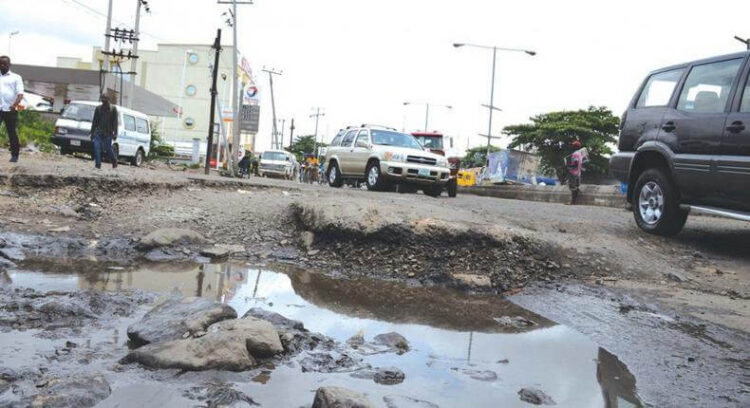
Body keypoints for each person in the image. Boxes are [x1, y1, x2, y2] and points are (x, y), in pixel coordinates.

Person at [0, 56, 24, 163]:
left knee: (12, 133)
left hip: (11, 110)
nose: (2, 66)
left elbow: (20, 94)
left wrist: (15, 105)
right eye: (0, 63)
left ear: (9, 65)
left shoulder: (16, 77)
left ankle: (15, 155)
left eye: (4, 64)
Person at [90, 94, 118, 169]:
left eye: (105, 98)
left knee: (108, 149)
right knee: (96, 147)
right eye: (102, 98)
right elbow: (94, 121)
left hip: (108, 133)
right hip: (98, 132)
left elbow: (115, 122)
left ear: (108, 99)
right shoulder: (98, 108)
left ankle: (114, 160)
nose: (103, 100)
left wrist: (115, 133)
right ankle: (98, 164)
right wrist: (92, 132)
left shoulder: (113, 109)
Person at [565, 140, 588, 205]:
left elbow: (575, 163)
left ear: (574, 147)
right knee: (575, 187)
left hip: (573, 172)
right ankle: (574, 201)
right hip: (578, 172)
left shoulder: (575, 154)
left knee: (573, 187)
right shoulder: (580, 154)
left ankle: (573, 202)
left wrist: (568, 166)